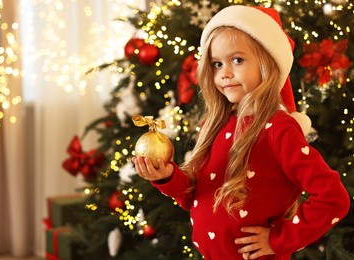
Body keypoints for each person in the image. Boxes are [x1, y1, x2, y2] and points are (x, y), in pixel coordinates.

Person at [132, 5, 350, 260]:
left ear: (267, 64)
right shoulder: (215, 124)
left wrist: (280, 240)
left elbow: (333, 198)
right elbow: (198, 194)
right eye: (216, 64)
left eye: (237, 60)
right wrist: (168, 177)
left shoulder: (278, 129)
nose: (224, 73)